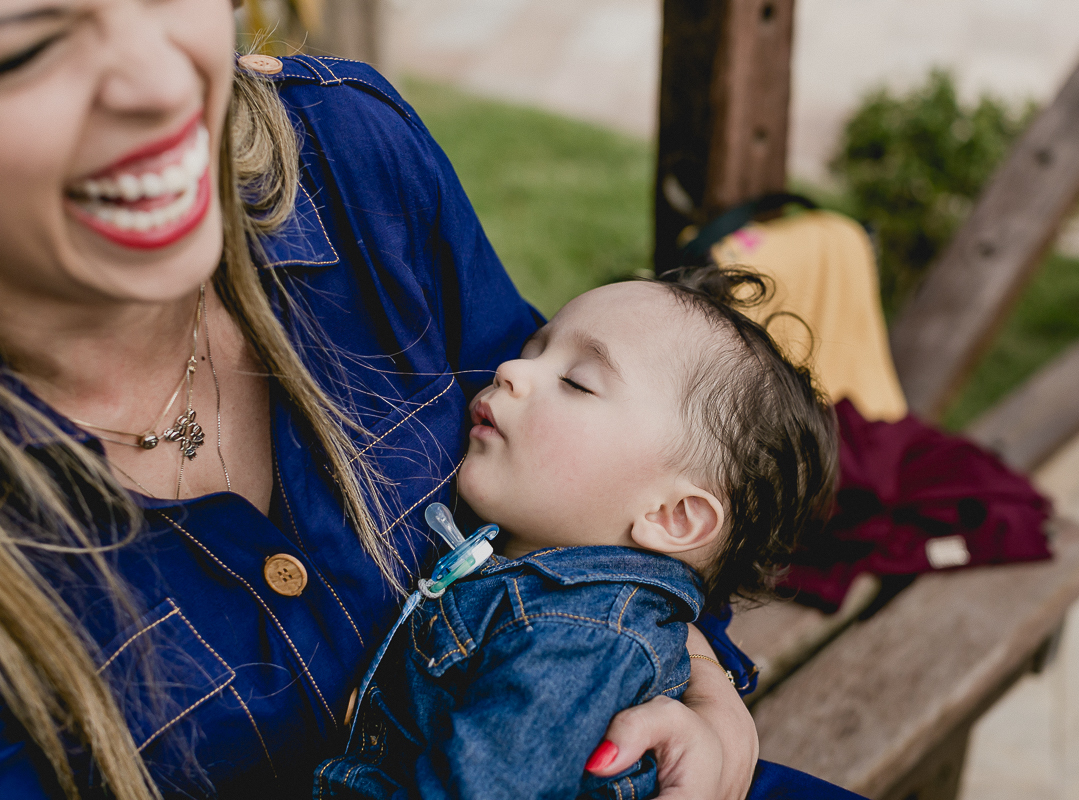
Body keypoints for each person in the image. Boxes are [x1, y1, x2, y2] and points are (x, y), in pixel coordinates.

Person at [0, 1, 863, 798]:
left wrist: (709, 698)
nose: (162, 85)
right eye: (32, 48)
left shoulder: (347, 156)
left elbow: (649, 459)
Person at [314, 268, 840, 799]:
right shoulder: (546, 594)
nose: (511, 368)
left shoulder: (577, 636)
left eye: (576, 382)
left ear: (673, 516)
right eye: (532, 347)